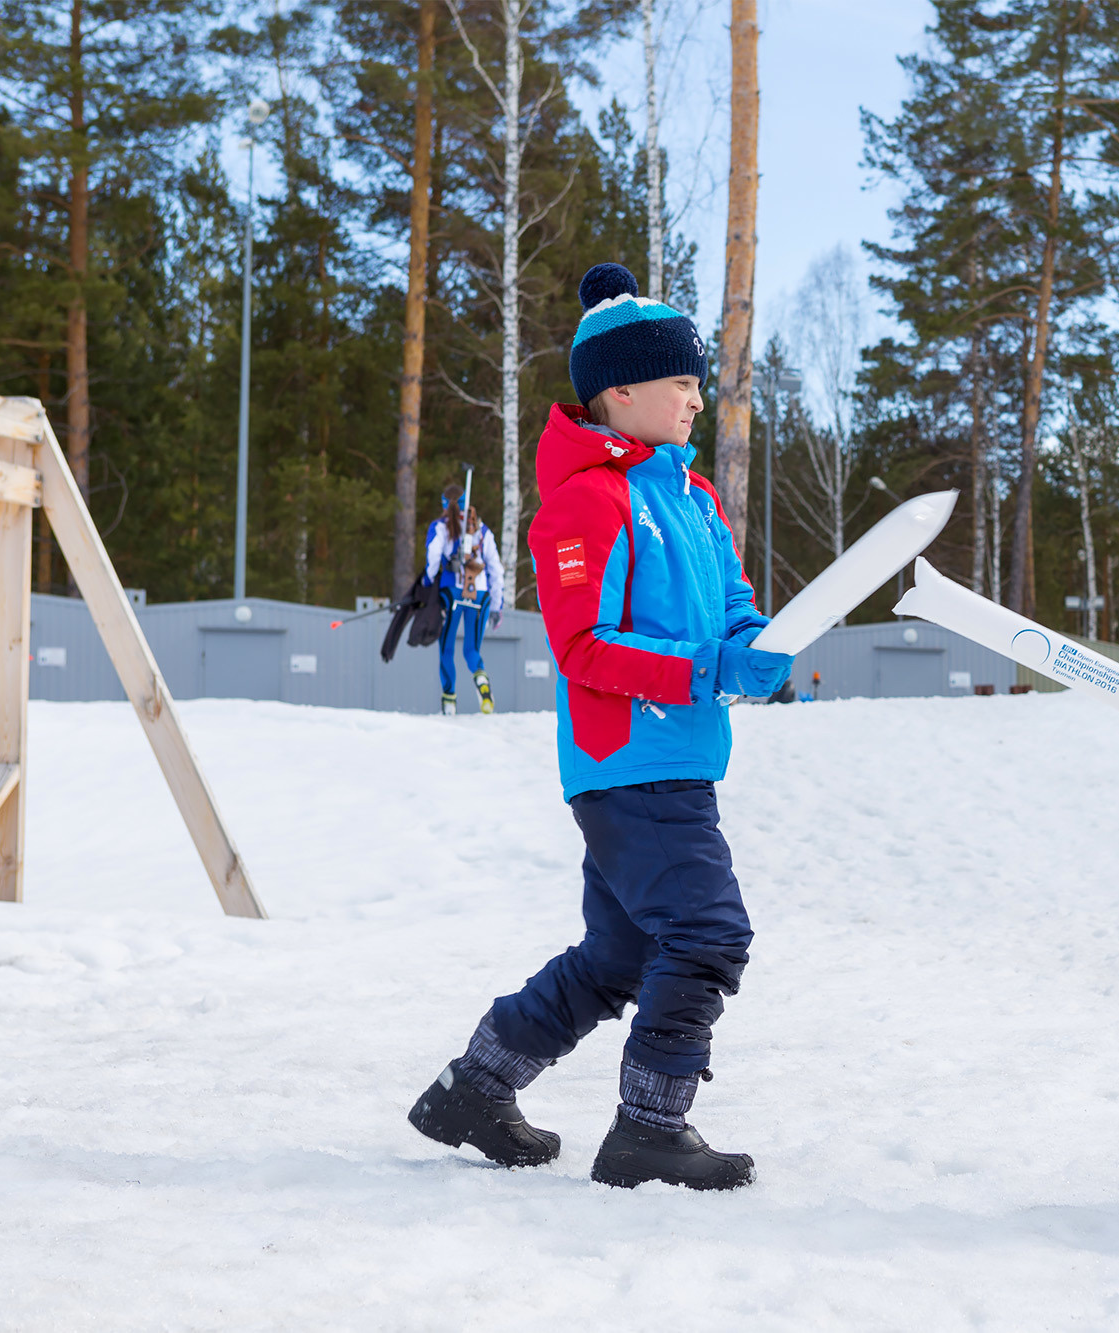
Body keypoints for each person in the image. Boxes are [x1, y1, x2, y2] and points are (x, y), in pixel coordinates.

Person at [408, 262, 792, 1191]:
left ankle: (475, 1087)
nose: (699, 398)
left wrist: (761, 649)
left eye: (699, 381)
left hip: (683, 758)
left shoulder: (697, 502)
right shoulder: (585, 500)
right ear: (620, 390)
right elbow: (582, 644)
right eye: (682, 382)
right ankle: (649, 1130)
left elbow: (733, 614)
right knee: (707, 931)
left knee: (619, 952)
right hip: (627, 764)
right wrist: (703, 668)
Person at [423, 484, 505, 715]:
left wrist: (429, 581)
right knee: (471, 649)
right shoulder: (482, 530)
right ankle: (482, 682)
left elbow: (433, 556)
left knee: (447, 648)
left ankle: (449, 701)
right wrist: (497, 605)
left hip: (452, 593)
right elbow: (496, 569)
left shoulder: (439, 527)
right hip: (481, 595)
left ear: (443, 504)